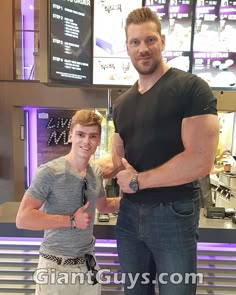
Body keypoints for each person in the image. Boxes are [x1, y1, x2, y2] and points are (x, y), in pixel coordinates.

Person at [110, 7, 219, 295]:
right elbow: (119, 157)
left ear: (162, 41)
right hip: (129, 217)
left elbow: (200, 161)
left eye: (149, 40)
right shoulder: (121, 104)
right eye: (135, 42)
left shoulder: (191, 88)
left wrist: (138, 181)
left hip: (173, 214)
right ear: (127, 47)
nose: (142, 49)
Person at [16, 109, 120, 295]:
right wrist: (71, 221)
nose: (86, 141)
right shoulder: (49, 172)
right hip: (56, 267)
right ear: (71, 135)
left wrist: (137, 195)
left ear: (98, 140)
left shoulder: (95, 172)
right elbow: (23, 218)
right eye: (81, 134)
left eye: (93, 136)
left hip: (88, 265)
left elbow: (104, 206)